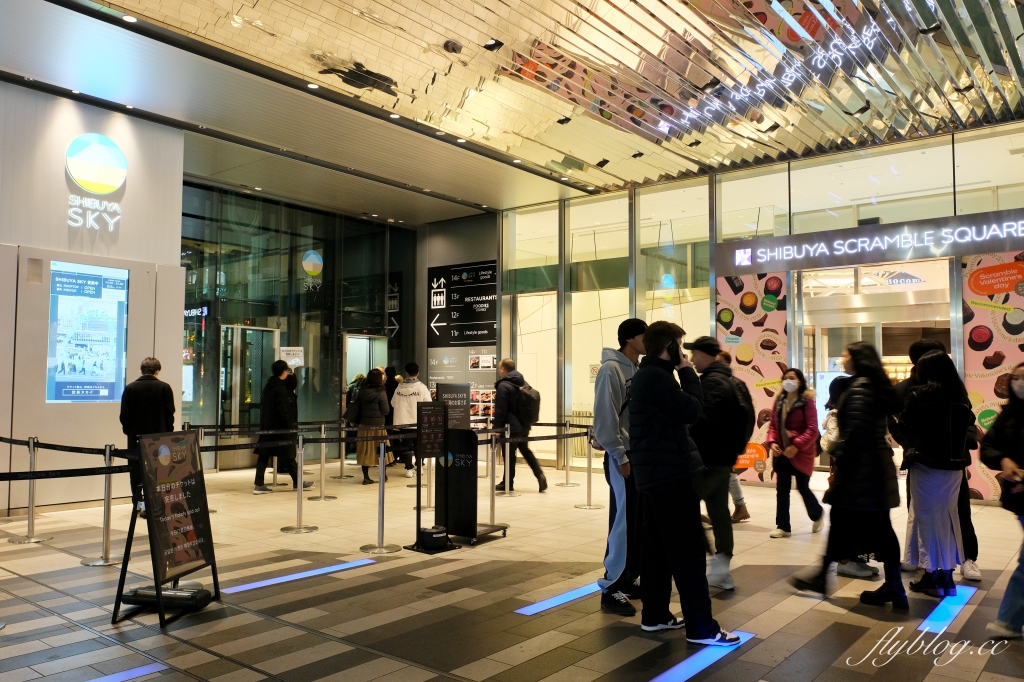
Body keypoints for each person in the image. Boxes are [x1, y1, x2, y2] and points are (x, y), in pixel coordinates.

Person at [629, 321, 740, 646]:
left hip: (656, 476)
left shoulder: (648, 376)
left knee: (658, 550)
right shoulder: (658, 378)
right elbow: (692, 410)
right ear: (672, 347)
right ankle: (701, 628)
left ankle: (655, 615)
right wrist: (687, 371)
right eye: (681, 344)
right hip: (671, 477)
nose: (685, 352)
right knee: (688, 553)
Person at [792, 342, 907, 609]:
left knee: (845, 523)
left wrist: (838, 452)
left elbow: (854, 434)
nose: (843, 360)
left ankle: (827, 577)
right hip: (875, 470)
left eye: (846, 355)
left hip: (860, 473)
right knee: (878, 528)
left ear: (858, 359)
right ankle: (894, 587)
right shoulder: (874, 387)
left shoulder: (859, 390)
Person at [899, 350, 976, 598]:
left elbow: (907, 429)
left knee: (926, 520)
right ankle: (947, 576)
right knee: (948, 519)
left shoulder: (917, 396)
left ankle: (931, 576)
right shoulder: (962, 399)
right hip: (954, 469)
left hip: (925, 466)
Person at [593, 318, 646, 616]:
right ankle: (611, 586)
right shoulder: (610, 369)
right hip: (621, 458)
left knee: (635, 520)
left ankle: (628, 580)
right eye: (643, 336)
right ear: (629, 339)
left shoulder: (636, 369)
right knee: (623, 521)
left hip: (634, 455)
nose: (646, 341)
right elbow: (605, 418)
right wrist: (620, 456)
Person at [688, 336, 749, 591]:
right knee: (719, 512)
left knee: (687, 506)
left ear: (705, 355)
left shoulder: (711, 383)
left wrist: (690, 445)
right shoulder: (735, 381)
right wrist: (736, 449)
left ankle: (715, 560)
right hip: (724, 459)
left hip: (708, 460)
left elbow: (704, 422)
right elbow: (748, 417)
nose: (691, 360)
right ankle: (722, 566)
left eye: (694, 355)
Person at [981, 362, 1024, 639]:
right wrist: (1004, 460)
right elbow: (988, 448)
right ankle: (1008, 619)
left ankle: (1008, 620)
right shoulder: (1009, 414)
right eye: (1017, 377)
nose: (1020, 382)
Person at [765, 368, 824, 539]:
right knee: (782, 489)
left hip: (802, 452)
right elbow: (773, 427)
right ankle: (783, 526)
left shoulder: (807, 401)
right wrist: (772, 442)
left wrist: (796, 446)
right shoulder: (779, 400)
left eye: (792, 378)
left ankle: (817, 513)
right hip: (782, 451)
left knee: (802, 487)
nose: (788, 381)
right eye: (785, 378)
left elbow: (812, 430)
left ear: (799, 381)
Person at [120, 357, 175, 505]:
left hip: (135, 438)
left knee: (136, 471)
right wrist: (167, 432)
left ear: (141, 370)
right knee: (158, 471)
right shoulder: (165, 388)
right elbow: (170, 414)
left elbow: (124, 415)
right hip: (160, 438)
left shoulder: (130, 388)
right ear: (158, 371)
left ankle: (138, 504)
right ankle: (156, 505)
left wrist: (129, 432)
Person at [254, 360, 311, 493]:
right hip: (280, 429)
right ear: (283, 372)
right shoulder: (281, 389)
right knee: (288, 455)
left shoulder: (269, 386)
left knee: (264, 455)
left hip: (267, 427)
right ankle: (297, 482)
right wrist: (290, 426)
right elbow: (283, 410)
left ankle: (259, 484)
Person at [493, 359, 547, 492]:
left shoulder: (504, 386)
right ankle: (540, 475)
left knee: (509, 454)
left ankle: (508, 483)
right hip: (524, 425)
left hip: (510, 427)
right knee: (525, 450)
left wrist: (497, 428)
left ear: (503, 369)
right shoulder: (522, 382)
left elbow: (501, 409)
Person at [717, 351, 751, 524]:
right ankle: (738, 506)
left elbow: (746, 414)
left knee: (726, 473)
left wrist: (741, 441)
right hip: (721, 439)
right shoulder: (721, 382)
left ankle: (739, 506)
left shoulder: (734, 384)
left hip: (726, 439)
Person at [391, 362, 433, 478]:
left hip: (403, 422)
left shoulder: (399, 388)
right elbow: (428, 404)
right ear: (418, 373)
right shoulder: (422, 388)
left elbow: (393, 403)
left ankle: (409, 469)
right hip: (418, 422)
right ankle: (419, 467)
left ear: (406, 373)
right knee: (419, 445)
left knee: (406, 446)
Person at [355, 368, 392, 484]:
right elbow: (385, 410)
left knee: (365, 450)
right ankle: (383, 475)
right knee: (381, 450)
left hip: (363, 425)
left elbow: (357, 407)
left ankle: (366, 477)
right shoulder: (381, 392)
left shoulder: (361, 390)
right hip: (378, 425)